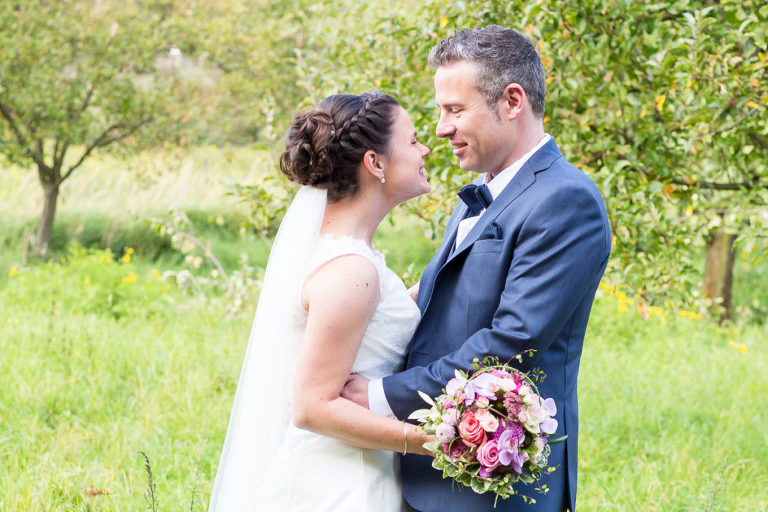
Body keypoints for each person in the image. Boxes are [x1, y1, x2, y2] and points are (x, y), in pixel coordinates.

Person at [342, 26, 612, 511]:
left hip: (497, 487)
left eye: (455, 110)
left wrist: (382, 395)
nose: (441, 129)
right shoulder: (483, 191)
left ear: (512, 101)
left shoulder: (566, 200)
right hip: (431, 474)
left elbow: (511, 343)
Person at [208, 92, 434, 511]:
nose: (425, 150)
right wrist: (430, 441)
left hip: (356, 467)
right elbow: (312, 407)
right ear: (375, 163)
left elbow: (367, 327)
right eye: (413, 140)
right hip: (342, 484)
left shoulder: (344, 255)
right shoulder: (351, 270)